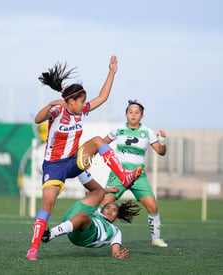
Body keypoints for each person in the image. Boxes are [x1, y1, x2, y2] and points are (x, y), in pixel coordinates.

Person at [26, 56, 143, 260]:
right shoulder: (57, 110)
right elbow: (37, 120)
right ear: (69, 101)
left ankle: (123, 176)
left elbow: (103, 97)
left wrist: (112, 72)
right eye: (80, 102)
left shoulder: (81, 111)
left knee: (98, 140)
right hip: (54, 166)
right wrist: (53, 102)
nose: (84, 106)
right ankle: (34, 248)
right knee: (48, 204)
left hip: (74, 160)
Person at [100, 99, 168, 248]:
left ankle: (156, 239)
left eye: (136, 113)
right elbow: (102, 143)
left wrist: (162, 141)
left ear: (141, 116)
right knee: (104, 204)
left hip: (138, 175)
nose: (133, 115)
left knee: (152, 206)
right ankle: (100, 234)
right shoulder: (117, 129)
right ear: (126, 115)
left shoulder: (147, 132)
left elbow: (161, 152)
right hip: (119, 173)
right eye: (130, 112)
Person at [41, 185, 141, 258]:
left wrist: (117, 254)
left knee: (84, 215)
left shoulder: (116, 231)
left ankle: (51, 234)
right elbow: (90, 194)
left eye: (114, 210)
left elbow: (115, 251)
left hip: (90, 236)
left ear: (116, 218)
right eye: (108, 207)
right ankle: (81, 170)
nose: (110, 210)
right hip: (74, 226)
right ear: (102, 209)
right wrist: (107, 190)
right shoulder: (97, 211)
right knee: (87, 205)